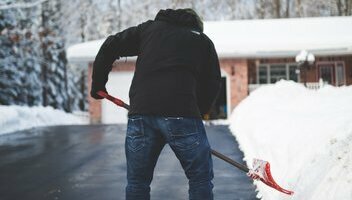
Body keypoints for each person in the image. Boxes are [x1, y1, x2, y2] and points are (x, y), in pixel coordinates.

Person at [91, 8, 221, 200]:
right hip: (182, 114)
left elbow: (111, 44)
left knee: (137, 182)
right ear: (196, 26)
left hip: (142, 115)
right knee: (199, 179)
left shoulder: (149, 30)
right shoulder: (202, 41)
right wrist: (198, 112)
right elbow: (212, 83)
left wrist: (98, 84)